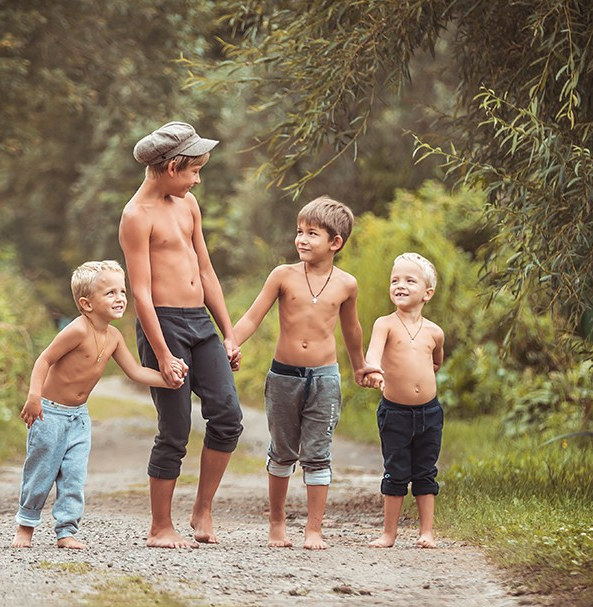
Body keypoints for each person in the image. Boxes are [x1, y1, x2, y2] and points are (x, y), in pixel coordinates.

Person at [119, 121, 244, 548]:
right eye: (193, 170)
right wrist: (163, 354)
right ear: (171, 167)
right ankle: (160, 527)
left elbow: (205, 269)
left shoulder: (188, 205)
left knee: (227, 418)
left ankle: (203, 508)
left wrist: (228, 332)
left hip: (200, 323)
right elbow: (140, 293)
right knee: (174, 428)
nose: (197, 179)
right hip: (165, 325)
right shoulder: (137, 216)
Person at [232, 195, 377, 550]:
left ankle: (314, 529)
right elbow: (253, 316)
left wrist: (360, 366)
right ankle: (277, 524)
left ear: (335, 242)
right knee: (282, 451)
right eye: (299, 231)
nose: (301, 239)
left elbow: (352, 330)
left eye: (312, 233)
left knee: (317, 453)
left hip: (324, 379)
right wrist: (230, 343)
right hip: (283, 377)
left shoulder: (347, 284)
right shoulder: (282, 275)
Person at [12, 260, 186, 549]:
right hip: (50, 414)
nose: (120, 298)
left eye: (122, 291)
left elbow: (136, 372)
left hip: (79, 419)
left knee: (74, 476)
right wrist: (34, 396)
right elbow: (44, 360)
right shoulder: (77, 330)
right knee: (40, 472)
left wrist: (169, 379)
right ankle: (25, 527)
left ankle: (66, 531)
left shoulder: (115, 337)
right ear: (86, 303)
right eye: (110, 293)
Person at [363, 252, 445, 549]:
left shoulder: (435, 332)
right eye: (395, 280)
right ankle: (389, 533)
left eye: (410, 281)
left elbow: (436, 363)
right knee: (396, 470)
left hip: (430, 413)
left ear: (427, 293)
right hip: (395, 412)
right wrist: (373, 368)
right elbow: (373, 352)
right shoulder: (385, 324)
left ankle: (426, 532)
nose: (400, 285)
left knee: (425, 471)